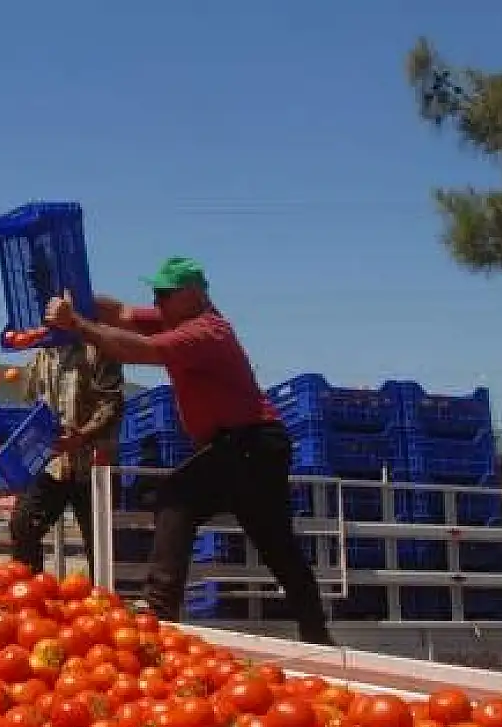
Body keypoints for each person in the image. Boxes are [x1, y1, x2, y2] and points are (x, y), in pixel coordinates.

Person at [44, 257, 334, 645]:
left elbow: (140, 350)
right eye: (155, 291)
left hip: (251, 443)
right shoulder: (176, 318)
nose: (156, 298)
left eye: (165, 292)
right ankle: (317, 634)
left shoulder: (206, 332)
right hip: (245, 446)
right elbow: (123, 313)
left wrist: (76, 323)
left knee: (177, 497)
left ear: (194, 295)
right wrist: (75, 298)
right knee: (277, 545)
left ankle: (159, 608)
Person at [3, 342, 125, 574]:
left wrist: (83, 435)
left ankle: (100, 602)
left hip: (94, 463)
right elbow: (30, 409)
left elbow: (112, 403)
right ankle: (29, 596)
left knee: (100, 544)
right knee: (23, 524)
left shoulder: (98, 350)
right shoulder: (39, 358)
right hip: (53, 464)